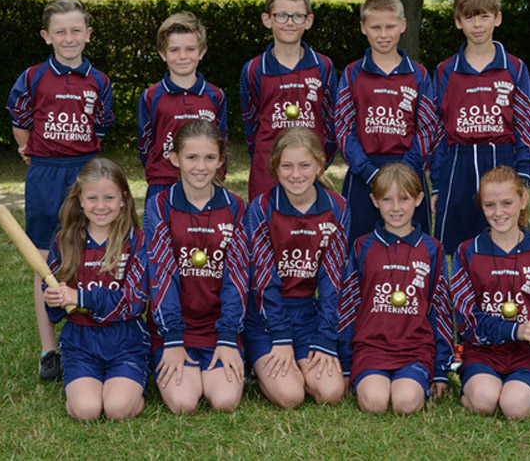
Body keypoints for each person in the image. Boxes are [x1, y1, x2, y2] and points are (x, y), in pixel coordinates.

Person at [6, 0, 114, 381]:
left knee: (87, 253)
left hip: (84, 173)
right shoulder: (34, 77)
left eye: (76, 30)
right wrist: (29, 150)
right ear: (46, 36)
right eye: (60, 32)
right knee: (44, 258)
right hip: (45, 175)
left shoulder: (99, 81)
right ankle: (48, 349)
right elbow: (20, 121)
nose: (69, 38)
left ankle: (85, 336)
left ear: (87, 34)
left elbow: (98, 131)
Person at [450, 165, 530, 419]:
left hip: (529, 354)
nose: (499, 213)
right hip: (483, 350)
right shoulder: (467, 252)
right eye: (489, 205)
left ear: (523, 200)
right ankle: (477, 380)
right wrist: (516, 330)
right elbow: (466, 321)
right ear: (481, 206)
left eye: (507, 203)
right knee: (484, 402)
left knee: (514, 408)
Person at [239, 126, 349, 408]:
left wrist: (326, 336)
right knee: (291, 396)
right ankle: (256, 362)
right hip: (266, 319)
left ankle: (299, 362)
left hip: (308, 316)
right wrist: (280, 337)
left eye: (304, 165)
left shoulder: (337, 207)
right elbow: (263, 279)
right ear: (275, 168)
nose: (296, 174)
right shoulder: (261, 208)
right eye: (287, 166)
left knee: (331, 393)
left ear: (320, 165)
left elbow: (332, 279)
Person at [145, 120, 248, 414]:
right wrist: (173, 340)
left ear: (221, 160)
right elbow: (160, 275)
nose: (200, 166)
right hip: (173, 330)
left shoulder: (237, 208)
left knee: (225, 400)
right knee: (183, 403)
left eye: (210, 158)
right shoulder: (159, 205)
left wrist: (228, 338)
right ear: (175, 158)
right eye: (191, 157)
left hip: (219, 329)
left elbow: (238, 277)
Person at [430, 0, 530, 255]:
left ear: (497, 18)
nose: (477, 25)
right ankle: (454, 297)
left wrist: (523, 172)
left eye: (484, 16)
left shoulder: (514, 67)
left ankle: (499, 295)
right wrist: (437, 184)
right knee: (451, 246)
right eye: (469, 17)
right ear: (458, 22)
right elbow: (437, 130)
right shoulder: (445, 70)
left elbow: (525, 123)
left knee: (505, 240)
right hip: (458, 163)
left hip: (500, 159)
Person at [341, 163, 454, 414]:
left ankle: (416, 377)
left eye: (404, 199)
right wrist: (347, 364)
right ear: (374, 200)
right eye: (387, 199)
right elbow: (348, 307)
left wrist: (440, 370)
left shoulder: (432, 248)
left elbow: (441, 310)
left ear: (418, 199)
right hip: (371, 347)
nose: (395, 208)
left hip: (415, 348)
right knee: (374, 403)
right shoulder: (363, 246)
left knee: (405, 404)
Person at [42, 158, 149, 421]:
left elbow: (134, 302)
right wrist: (52, 297)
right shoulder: (65, 240)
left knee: (117, 409)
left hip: (126, 342)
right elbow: (54, 297)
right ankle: (87, 387)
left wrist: (81, 297)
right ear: (80, 200)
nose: (100, 206)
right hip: (81, 343)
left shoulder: (136, 240)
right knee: (86, 411)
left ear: (123, 199)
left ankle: (133, 388)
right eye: (92, 198)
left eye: (109, 197)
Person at [336, 0, 437, 245]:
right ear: (363, 28)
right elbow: (343, 129)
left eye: (390, 26)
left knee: (414, 250)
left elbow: (426, 129)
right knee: (358, 249)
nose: (383, 34)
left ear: (402, 26)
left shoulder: (419, 74)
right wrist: (369, 173)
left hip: (408, 172)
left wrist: (405, 170)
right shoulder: (352, 73)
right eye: (375, 27)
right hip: (364, 175)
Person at [240, 0, 338, 201]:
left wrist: (320, 161)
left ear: (308, 20)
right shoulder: (254, 69)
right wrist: (265, 159)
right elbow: (251, 126)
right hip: (267, 170)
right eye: (281, 15)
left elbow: (330, 120)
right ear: (268, 19)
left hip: (309, 169)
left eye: (298, 16)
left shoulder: (323, 66)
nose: (290, 23)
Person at [138, 12, 227, 206]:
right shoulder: (151, 96)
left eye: (190, 49)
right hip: (162, 184)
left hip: (205, 182)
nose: (183, 56)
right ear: (162, 53)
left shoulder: (215, 95)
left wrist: (215, 175)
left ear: (201, 52)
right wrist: (161, 171)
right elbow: (145, 145)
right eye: (174, 50)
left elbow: (222, 140)